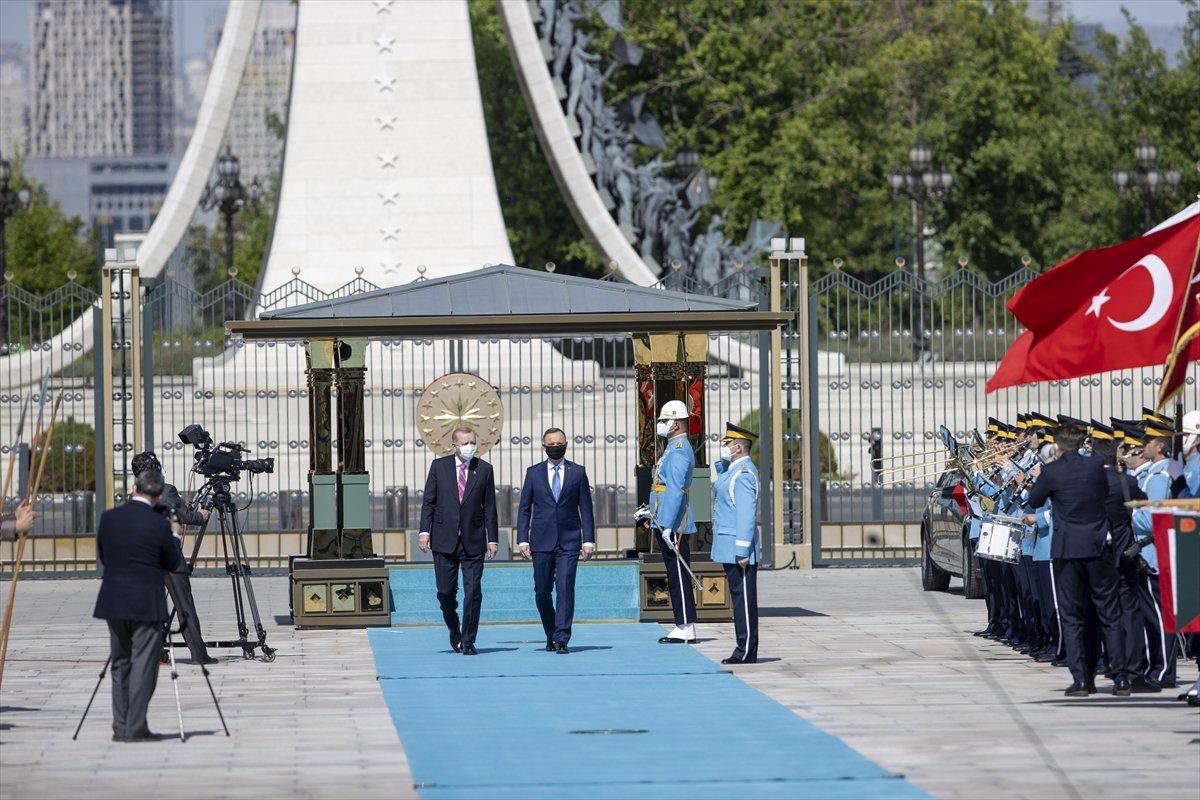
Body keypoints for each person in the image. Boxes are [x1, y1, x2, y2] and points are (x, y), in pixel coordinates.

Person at [1024, 425, 1130, 697]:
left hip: (1068, 549)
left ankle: (1082, 679)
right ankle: (1120, 679)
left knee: (1073, 616)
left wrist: (1048, 470)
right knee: (1108, 612)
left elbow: (1035, 500)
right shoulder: (1095, 465)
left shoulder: (1052, 471)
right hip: (1097, 546)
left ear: (1058, 446)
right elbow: (1104, 492)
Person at [93, 468, 184, 742]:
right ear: (158, 495)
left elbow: (104, 556)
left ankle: (121, 726)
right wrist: (176, 536)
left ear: (134, 488)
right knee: (144, 666)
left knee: (120, 664)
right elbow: (172, 563)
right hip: (145, 603)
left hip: (114, 600)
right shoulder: (159, 525)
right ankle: (135, 727)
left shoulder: (109, 518)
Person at [418, 427, 499, 656]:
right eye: (465, 443)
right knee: (445, 592)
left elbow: (490, 507)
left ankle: (468, 640)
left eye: (473, 442)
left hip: (473, 541)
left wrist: (492, 538)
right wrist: (424, 531)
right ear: (454, 445)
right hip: (444, 539)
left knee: (473, 592)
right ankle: (454, 627)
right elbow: (429, 502)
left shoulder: (484, 470)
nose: (469, 446)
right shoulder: (439, 467)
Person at [130, 451, 215, 665]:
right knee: (184, 604)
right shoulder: (166, 490)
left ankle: (157, 654)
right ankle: (199, 653)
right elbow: (185, 516)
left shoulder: (135, 494)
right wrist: (202, 515)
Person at [516, 427, 596, 654]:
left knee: (565, 587)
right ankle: (551, 631)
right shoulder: (533, 473)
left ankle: (562, 637)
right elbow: (524, 508)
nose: (555, 446)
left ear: (566, 443)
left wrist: (588, 540)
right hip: (541, 541)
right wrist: (523, 538)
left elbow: (586, 509)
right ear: (544, 447)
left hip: (569, 541)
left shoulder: (577, 472)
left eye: (559, 442)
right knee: (542, 592)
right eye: (551, 444)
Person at [710, 423, 760, 665]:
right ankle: (743, 647)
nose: (724, 448)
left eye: (727, 444)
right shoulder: (734, 471)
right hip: (728, 546)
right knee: (738, 600)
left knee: (744, 602)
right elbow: (722, 489)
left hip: (738, 549)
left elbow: (746, 516)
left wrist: (742, 550)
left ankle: (746, 649)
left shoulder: (744, 475)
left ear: (738, 448)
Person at [650, 400, 697, 644]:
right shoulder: (672, 447)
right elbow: (662, 487)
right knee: (673, 571)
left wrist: (668, 524)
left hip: (674, 523)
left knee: (678, 572)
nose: (661, 425)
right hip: (665, 519)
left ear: (676, 424)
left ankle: (686, 625)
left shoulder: (679, 449)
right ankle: (682, 623)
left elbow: (676, 489)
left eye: (664, 421)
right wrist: (650, 512)